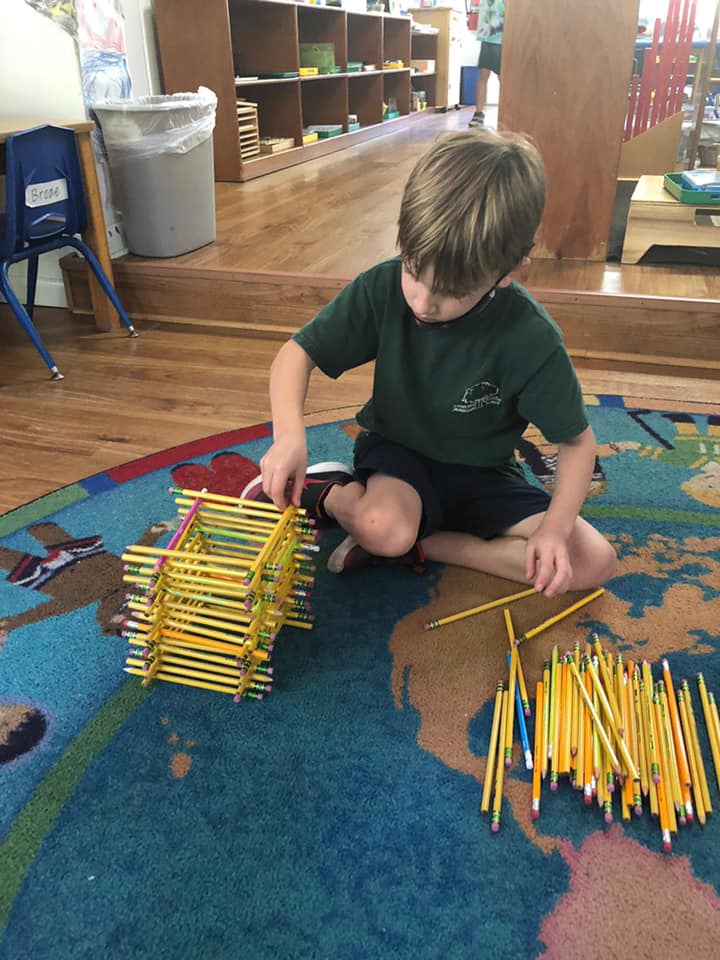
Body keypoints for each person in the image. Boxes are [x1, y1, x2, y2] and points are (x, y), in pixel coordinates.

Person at [242, 129, 617, 599]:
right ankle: (332, 494)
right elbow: (296, 354)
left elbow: (577, 443)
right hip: (399, 454)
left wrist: (555, 532)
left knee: (592, 560)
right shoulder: (381, 288)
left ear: (510, 271)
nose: (422, 302)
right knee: (385, 528)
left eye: (452, 291)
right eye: (413, 270)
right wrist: (289, 437)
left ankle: (423, 546)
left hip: (483, 475)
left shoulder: (532, 339)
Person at [469, 0, 504, 128]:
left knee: (503, 78)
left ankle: (506, 113)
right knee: (483, 74)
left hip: (504, 38)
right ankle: (478, 113)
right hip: (488, 37)